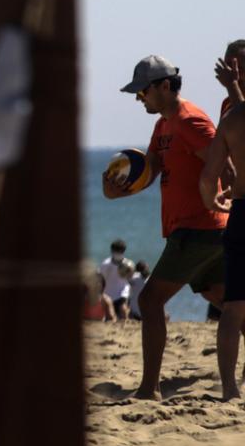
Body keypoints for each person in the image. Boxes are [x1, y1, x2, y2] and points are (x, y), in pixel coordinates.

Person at [105, 54, 227, 400]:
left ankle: (149, 388)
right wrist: (117, 191)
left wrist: (228, 200)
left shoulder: (191, 120)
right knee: (220, 297)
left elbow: (224, 165)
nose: (138, 98)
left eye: (142, 91)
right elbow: (151, 171)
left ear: (163, 86)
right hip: (196, 228)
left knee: (150, 299)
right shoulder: (162, 125)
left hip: (200, 227)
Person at [200, 97, 245, 398]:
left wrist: (212, 201)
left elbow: (208, 177)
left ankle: (229, 389)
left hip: (242, 213)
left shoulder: (232, 119)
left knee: (233, 309)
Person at [101, 239, 133, 322]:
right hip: (108, 295)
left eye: (120, 251)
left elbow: (131, 278)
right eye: (116, 251)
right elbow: (101, 279)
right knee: (110, 317)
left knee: (123, 309)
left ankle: (125, 325)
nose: (117, 253)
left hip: (122, 293)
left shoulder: (128, 264)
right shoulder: (106, 264)